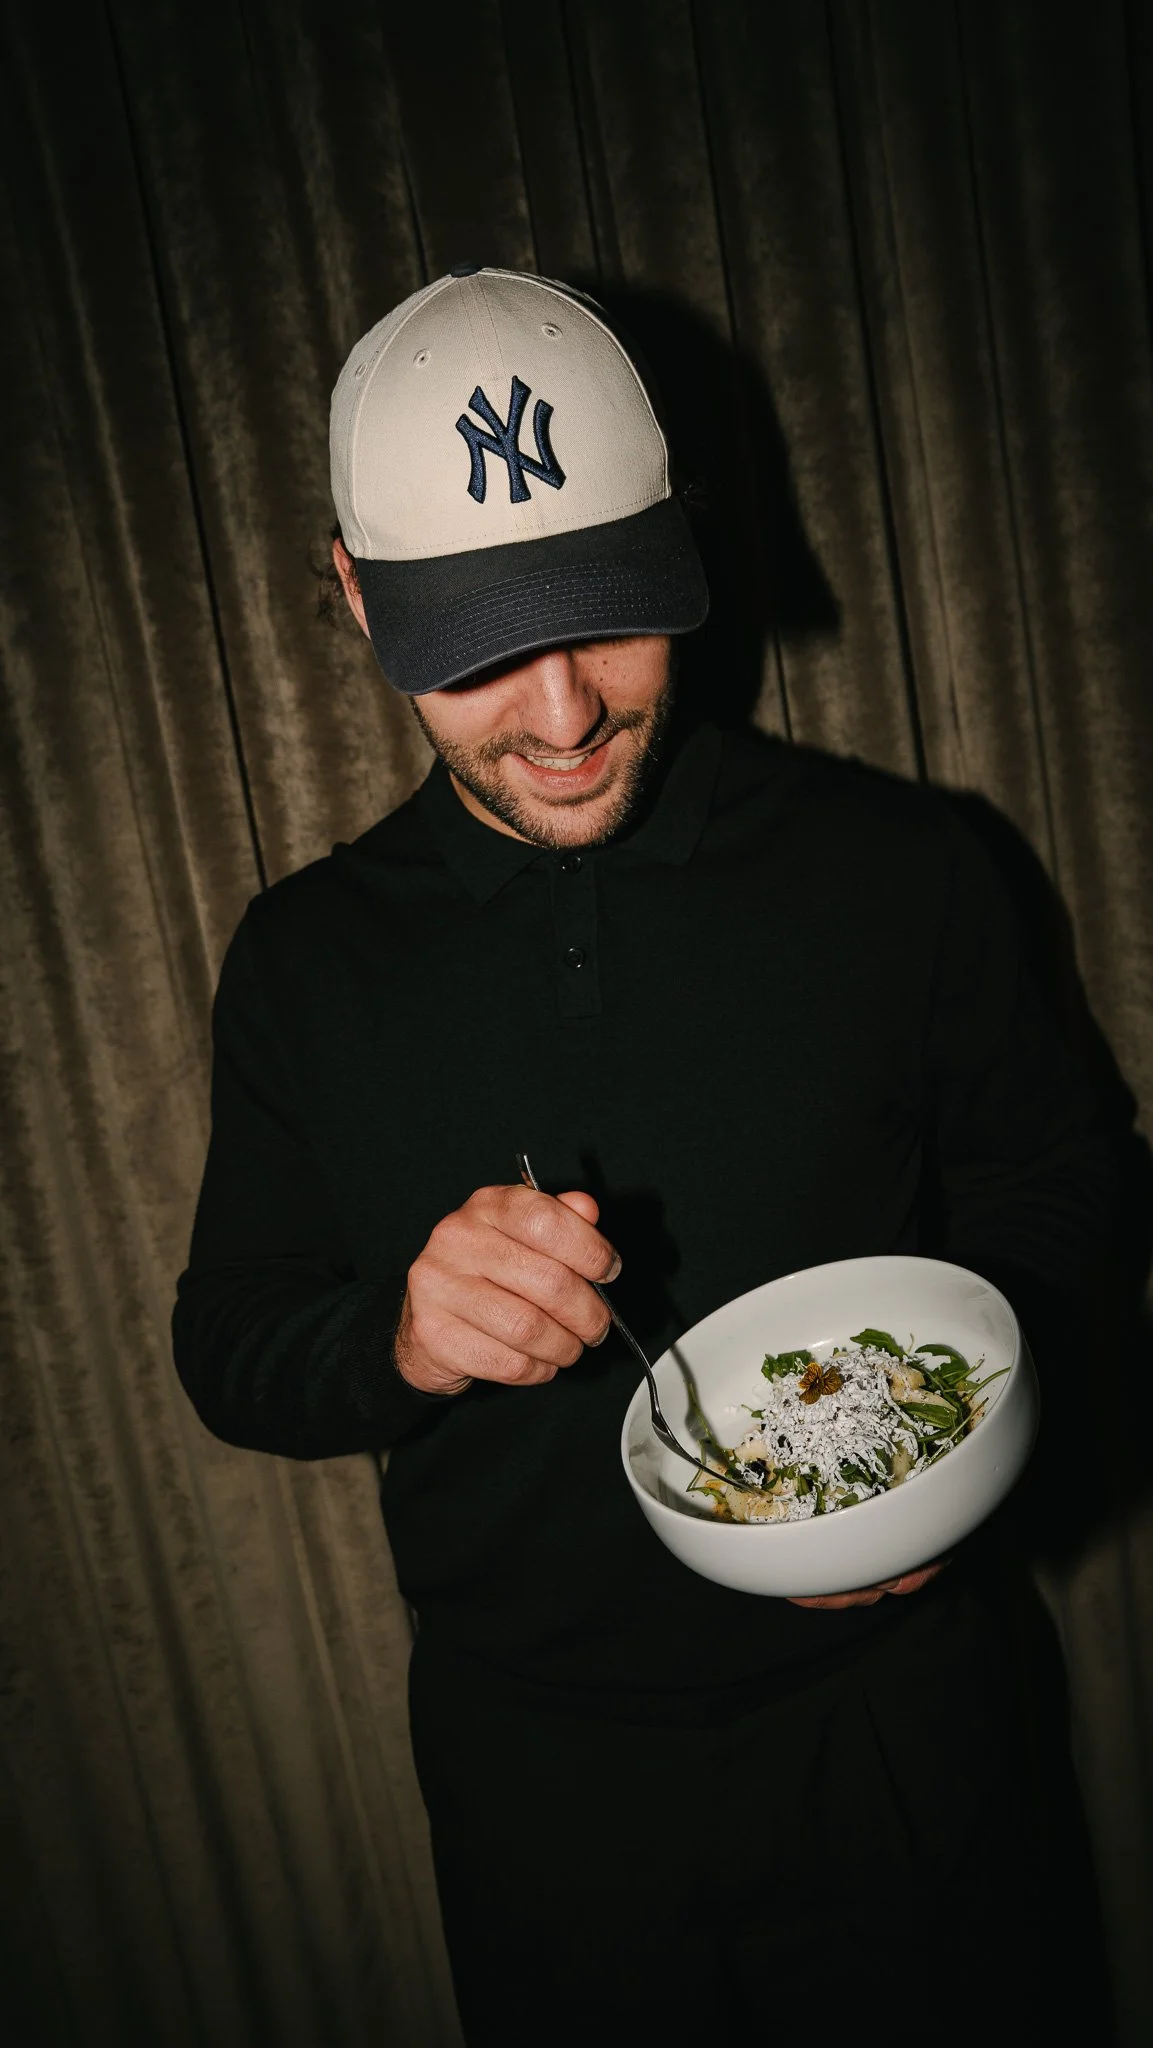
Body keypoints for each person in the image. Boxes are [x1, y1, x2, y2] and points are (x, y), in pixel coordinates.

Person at [174, 267, 1115, 2045]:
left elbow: (1062, 1182)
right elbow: (227, 1335)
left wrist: (980, 1434)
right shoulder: (299, 960)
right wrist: (397, 1338)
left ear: (683, 539)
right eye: (474, 647)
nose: (560, 713)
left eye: (604, 615)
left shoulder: (908, 867)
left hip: (908, 1734)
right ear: (356, 596)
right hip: (548, 1798)